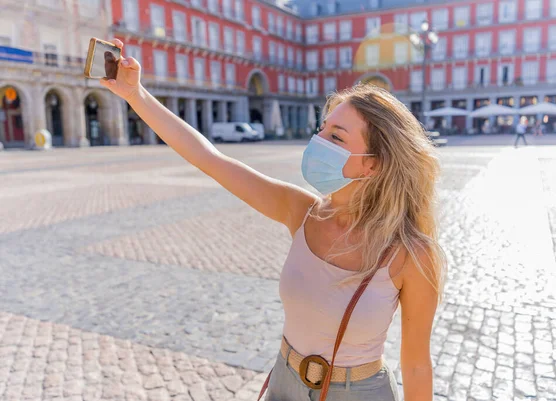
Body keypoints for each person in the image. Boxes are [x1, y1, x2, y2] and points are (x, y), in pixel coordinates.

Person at [101, 39, 447, 401]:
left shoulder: (412, 253)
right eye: (323, 129)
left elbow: (417, 365)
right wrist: (135, 94)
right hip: (285, 383)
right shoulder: (301, 211)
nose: (318, 141)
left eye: (336, 136)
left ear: (372, 163)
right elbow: (211, 159)